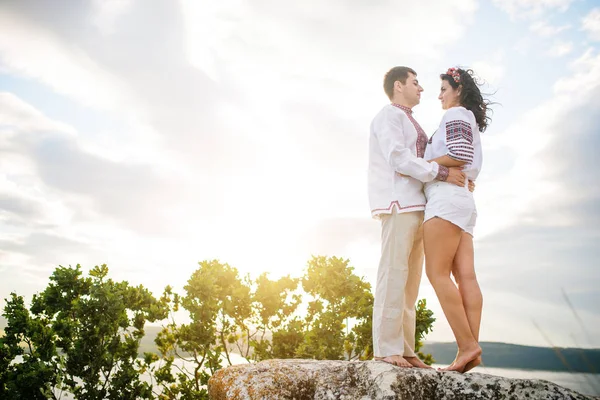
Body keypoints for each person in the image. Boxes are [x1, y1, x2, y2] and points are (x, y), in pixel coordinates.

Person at [368, 66, 466, 368]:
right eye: (415, 82)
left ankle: (407, 349)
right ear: (399, 86)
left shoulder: (409, 119)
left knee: (410, 282)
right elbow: (398, 158)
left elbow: (421, 159)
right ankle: (386, 348)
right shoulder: (389, 116)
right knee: (392, 274)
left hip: (418, 206)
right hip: (398, 203)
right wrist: (441, 172)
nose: (421, 88)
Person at [423, 67, 491, 372]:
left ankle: (466, 345)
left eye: (443, 89)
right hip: (463, 200)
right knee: (467, 276)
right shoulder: (469, 119)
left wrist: (421, 162)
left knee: (437, 274)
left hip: (445, 201)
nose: (439, 95)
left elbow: (459, 154)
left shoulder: (455, 114)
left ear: (458, 90)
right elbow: (467, 158)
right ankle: (470, 352)